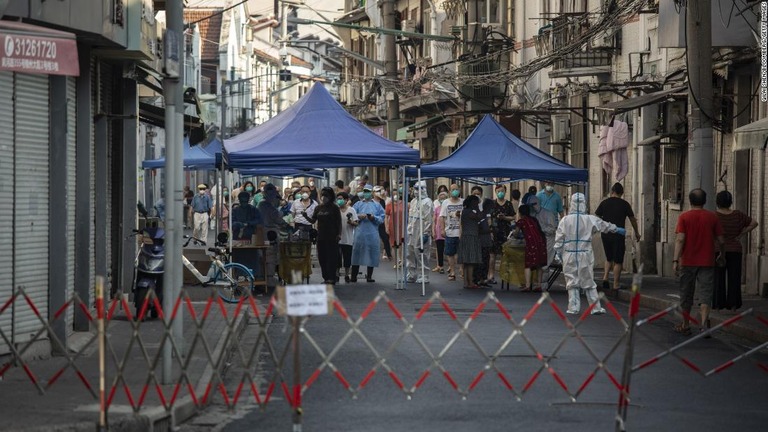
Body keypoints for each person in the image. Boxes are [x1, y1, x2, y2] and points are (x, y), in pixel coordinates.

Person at [554, 193, 626, 315]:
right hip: (584, 254)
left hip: (569, 254)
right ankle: (595, 307)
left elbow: (559, 239)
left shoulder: (564, 220)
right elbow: (604, 225)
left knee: (572, 282)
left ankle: (573, 307)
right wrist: (617, 229)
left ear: (571, 204)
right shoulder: (589, 219)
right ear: (584, 204)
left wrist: (558, 252)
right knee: (588, 281)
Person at [673, 189, 726, 335]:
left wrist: (675, 259)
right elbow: (721, 240)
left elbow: (680, 239)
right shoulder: (712, 217)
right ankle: (703, 325)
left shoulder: (684, 217)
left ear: (690, 201)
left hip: (688, 261)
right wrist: (722, 254)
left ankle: (685, 324)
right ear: (705, 200)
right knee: (705, 294)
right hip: (707, 261)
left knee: (686, 293)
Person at [713, 191, 758, 311]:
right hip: (735, 250)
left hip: (717, 250)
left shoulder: (714, 216)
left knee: (718, 278)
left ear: (717, 202)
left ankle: (718, 303)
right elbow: (754, 223)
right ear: (730, 202)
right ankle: (733, 304)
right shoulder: (737, 215)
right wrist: (742, 233)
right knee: (734, 278)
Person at [595, 183, 641, 293]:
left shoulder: (604, 203)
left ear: (612, 191)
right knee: (618, 260)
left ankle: (605, 278)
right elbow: (632, 219)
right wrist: (637, 232)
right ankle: (615, 284)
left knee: (608, 257)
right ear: (622, 193)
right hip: (618, 235)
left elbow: (596, 216)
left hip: (605, 234)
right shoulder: (625, 204)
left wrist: (603, 225)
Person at [303, 187, 342, 284]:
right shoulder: (318, 208)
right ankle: (325, 277)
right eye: (322, 195)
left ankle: (332, 278)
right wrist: (305, 216)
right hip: (321, 236)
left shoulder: (334, 208)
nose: (324, 197)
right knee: (322, 258)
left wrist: (339, 234)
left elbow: (339, 222)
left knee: (332, 258)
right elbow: (313, 220)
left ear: (331, 197)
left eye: (326, 196)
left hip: (332, 237)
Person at [351, 185, 386, 282]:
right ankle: (353, 276)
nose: (366, 193)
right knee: (356, 253)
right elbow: (351, 216)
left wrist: (373, 218)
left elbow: (382, 218)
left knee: (372, 253)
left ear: (372, 193)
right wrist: (358, 216)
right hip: (359, 232)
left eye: (368, 191)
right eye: (365, 191)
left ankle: (369, 276)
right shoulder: (358, 204)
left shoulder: (377, 205)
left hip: (372, 233)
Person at [511, 204, 548, 292]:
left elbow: (516, 234)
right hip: (541, 243)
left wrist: (513, 233)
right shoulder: (534, 219)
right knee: (539, 264)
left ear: (520, 213)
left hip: (531, 244)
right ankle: (538, 285)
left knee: (528, 264)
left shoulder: (521, 221)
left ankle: (527, 285)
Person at [536, 181, 564, 280]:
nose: (550, 186)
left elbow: (561, 211)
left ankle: (545, 275)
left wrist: (563, 225)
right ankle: (542, 277)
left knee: (550, 250)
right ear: (545, 184)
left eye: (552, 184)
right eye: (549, 183)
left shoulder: (557, 197)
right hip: (541, 227)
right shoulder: (539, 195)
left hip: (553, 227)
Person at [406, 181, 433, 284]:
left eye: (418, 189)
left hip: (421, 230)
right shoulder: (413, 201)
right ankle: (411, 274)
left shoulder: (427, 202)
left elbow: (428, 219)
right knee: (410, 253)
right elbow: (410, 217)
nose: (416, 191)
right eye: (415, 188)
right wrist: (409, 230)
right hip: (412, 231)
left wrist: (426, 233)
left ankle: (424, 275)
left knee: (422, 254)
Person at [489, 185, 516, 284]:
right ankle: (491, 275)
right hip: (494, 232)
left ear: (505, 192)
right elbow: (489, 217)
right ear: (495, 192)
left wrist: (504, 217)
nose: (501, 192)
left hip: (505, 232)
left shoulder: (509, 204)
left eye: (502, 191)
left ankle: (505, 275)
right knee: (492, 255)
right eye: (499, 191)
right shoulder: (492, 203)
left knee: (505, 255)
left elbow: (513, 217)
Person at [457, 195, 483, 289]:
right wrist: (478, 209)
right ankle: (470, 282)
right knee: (470, 261)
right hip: (471, 237)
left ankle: (466, 282)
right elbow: (480, 217)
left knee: (466, 262)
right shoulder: (469, 212)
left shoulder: (464, 211)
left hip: (466, 236)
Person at [440, 184, 464, 281]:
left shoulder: (463, 202)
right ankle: (452, 271)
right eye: (453, 189)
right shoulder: (446, 202)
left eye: (456, 189)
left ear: (459, 190)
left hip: (461, 232)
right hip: (450, 231)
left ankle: (461, 270)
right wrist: (442, 229)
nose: (455, 191)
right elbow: (442, 217)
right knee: (450, 253)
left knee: (461, 252)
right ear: (449, 191)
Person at [337, 192, 358, 283]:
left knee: (347, 258)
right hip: (337, 238)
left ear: (346, 200)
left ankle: (346, 275)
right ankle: (336, 274)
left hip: (348, 238)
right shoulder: (336, 210)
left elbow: (356, 223)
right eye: (338, 199)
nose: (339, 200)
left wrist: (351, 222)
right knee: (337, 258)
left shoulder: (351, 210)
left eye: (341, 198)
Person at [475, 198, 495, 287]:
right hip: (481, 241)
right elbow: (481, 228)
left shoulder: (487, 216)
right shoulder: (482, 216)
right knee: (482, 261)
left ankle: (484, 278)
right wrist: (488, 229)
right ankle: (479, 279)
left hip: (487, 241)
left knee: (486, 260)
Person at [385, 189, 405, 269]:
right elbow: (386, 217)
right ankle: (396, 262)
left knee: (401, 244)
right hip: (392, 226)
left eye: (396, 194)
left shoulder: (404, 204)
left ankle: (401, 260)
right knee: (393, 244)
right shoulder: (389, 205)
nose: (395, 196)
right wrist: (386, 227)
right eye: (393, 194)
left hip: (402, 226)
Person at [373, 185, 392, 261]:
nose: (378, 193)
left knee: (385, 238)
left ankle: (389, 255)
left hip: (381, 222)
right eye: (376, 191)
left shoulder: (382, 201)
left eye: (379, 191)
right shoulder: (371, 201)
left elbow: (384, 212)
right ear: (373, 193)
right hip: (373, 222)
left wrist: (386, 224)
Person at [432, 191, 448, 273]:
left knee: (449, 249)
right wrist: (433, 231)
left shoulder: (448, 207)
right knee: (440, 249)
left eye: (444, 198)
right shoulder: (437, 208)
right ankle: (440, 266)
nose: (442, 200)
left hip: (448, 230)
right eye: (441, 198)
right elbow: (434, 220)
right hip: (438, 230)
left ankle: (450, 266)